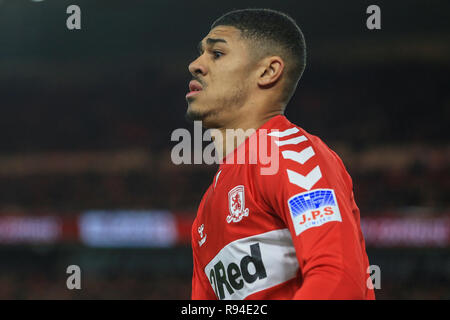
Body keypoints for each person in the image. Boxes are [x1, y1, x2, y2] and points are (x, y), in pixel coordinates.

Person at [185, 8, 375, 300]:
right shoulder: (206, 210)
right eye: (201, 53)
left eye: (217, 53)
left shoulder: (291, 154)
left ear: (268, 71)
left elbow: (339, 280)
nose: (195, 65)